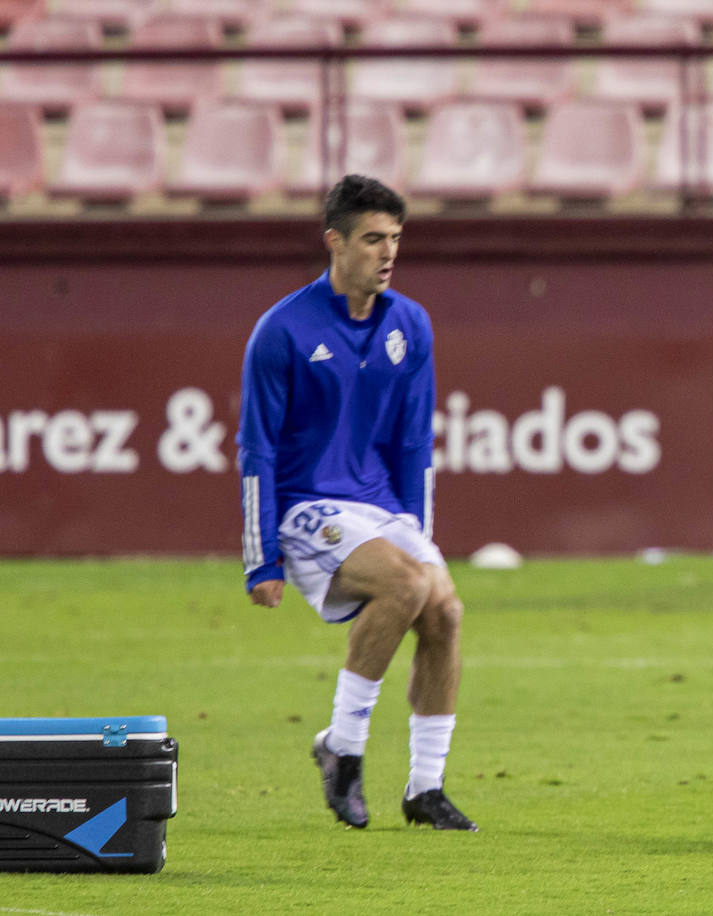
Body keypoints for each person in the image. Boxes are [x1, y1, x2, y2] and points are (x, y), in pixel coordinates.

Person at [237, 174, 476, 832]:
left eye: (395, 238)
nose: (388, 252)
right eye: (373, 239)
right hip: (307, 506)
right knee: (402, 587)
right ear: (335, 243)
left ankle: (425, 789)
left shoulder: (411, 324)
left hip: (380, 509)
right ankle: (343, 749)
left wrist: (418, 536)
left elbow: (413, 442)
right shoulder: (283, 330)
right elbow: (256, 449)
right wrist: (262, 561)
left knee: (446, 611)